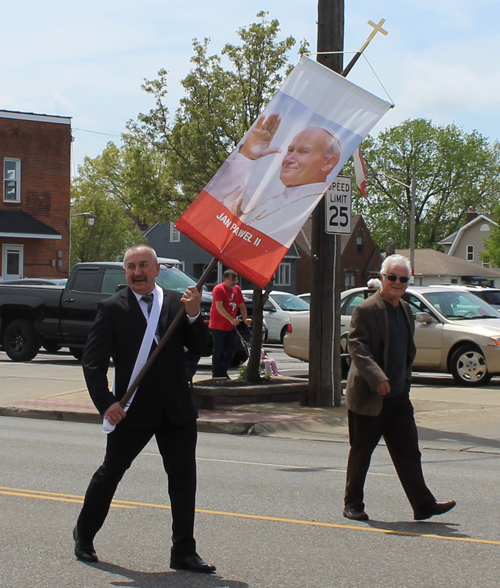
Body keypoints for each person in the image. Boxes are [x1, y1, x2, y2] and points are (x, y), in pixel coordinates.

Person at [73, 244, 216, 574]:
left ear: (156, 269)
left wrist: (195, 315)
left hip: (177, 409)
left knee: (183, 482)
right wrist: (106, 403)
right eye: (130, 267)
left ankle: (183, 551)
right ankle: (84, 535)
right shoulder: (111, 308)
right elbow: (92, 363)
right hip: (132, 409)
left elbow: (203, 348)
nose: (136, 272)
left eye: (143, 266)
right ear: (125, 272)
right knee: (110, 474)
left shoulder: (178, 304)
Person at [343, 254, 456, 522]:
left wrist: (404, 380)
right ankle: (352, 504)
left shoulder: (405, 309)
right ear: (382, 278)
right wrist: (378, 377)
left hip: (398, 397)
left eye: (403, 279)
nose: (397, 283)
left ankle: (423, 505)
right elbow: (357, 346)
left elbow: (407, 350)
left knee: (408, 451)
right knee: (362, 451)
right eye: (392, 277)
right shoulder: (367, 309)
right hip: (370, 396)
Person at [207, 113, 341, 246]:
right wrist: (246, 156)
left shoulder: (312, 208)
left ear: (328, 162)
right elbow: (211, 211)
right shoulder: (271, 198)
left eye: (303, 151)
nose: (290, 159)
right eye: (290, 150)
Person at [209, 269, 251, 378]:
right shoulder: (218, 289)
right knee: (218, 349)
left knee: (233, 347)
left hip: (230, 326)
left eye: (235, 280)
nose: (234, 283)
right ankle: (216, 373)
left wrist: (245, 319)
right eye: (232, 280)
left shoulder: (237, 289)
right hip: (217, 325)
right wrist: (231, 319)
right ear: (225, 279)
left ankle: (223, 370)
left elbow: (241, 306)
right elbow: (219, 306)